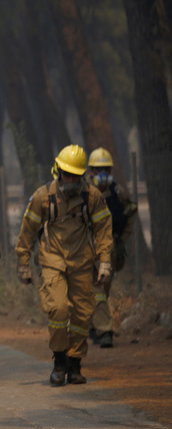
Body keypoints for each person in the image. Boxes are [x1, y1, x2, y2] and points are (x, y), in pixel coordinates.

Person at [16, 145, 113, 386]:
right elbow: (28, 232)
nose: (70, 180)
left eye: (75, 176)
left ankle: (75, 363)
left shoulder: (92, 197)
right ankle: (59, 362)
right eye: (67, 174)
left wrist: (105, 262)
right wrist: (23, 264)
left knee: (82, 314)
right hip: (53, 261)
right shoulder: (42, 197)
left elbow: (103, 230)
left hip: (82, 262)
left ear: (83, 175)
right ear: (58, 171)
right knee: (58, 310)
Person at [87, 148, 137, 348]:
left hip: (111, 249)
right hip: (88, 248)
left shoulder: (117, 192)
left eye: (106, 168)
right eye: (98, 169)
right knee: (97, 289)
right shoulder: (83, 192)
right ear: (90, 171)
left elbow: (130, 212)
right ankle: (105, 330)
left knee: (101, 291)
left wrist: (121, 239)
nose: (102, 173)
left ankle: (93, 327)